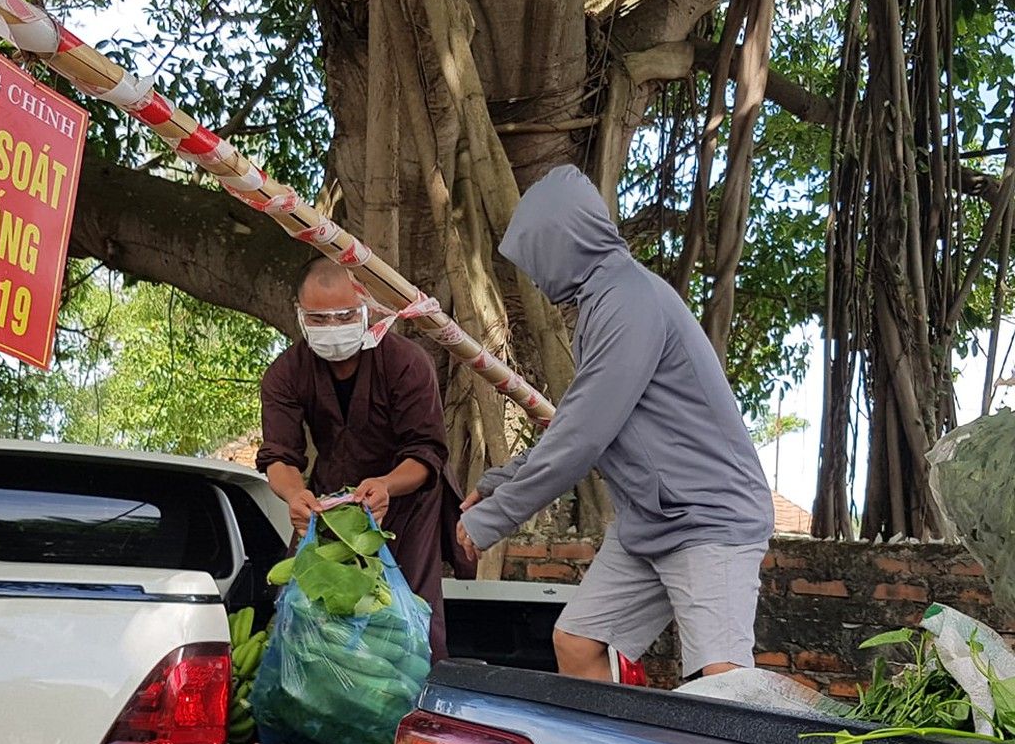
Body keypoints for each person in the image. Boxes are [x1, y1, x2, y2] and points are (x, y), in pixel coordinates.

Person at [457, 164, 774, 682]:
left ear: (563, 244)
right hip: (651, 522)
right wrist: (495, 485)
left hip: (708, 520)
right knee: (578, 644)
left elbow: (581, 439)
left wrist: (491, 520)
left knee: (725, 685)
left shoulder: (630, 300)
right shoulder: (602, 303)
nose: (534, 278)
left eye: (536, 257)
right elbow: (577, 427)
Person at [258, 255, 472, 664]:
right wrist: (294, 495)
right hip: (330, 501)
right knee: (304, 610)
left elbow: (426, 454)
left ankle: (416, 704)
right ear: (300, 316)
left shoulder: (407, 363)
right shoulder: (285, 373)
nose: (332, 329)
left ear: (367, 310)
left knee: (408, 612)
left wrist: (387, 486)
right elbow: (279, 456)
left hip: (407, 499)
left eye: (343, 316)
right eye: (319, 320)